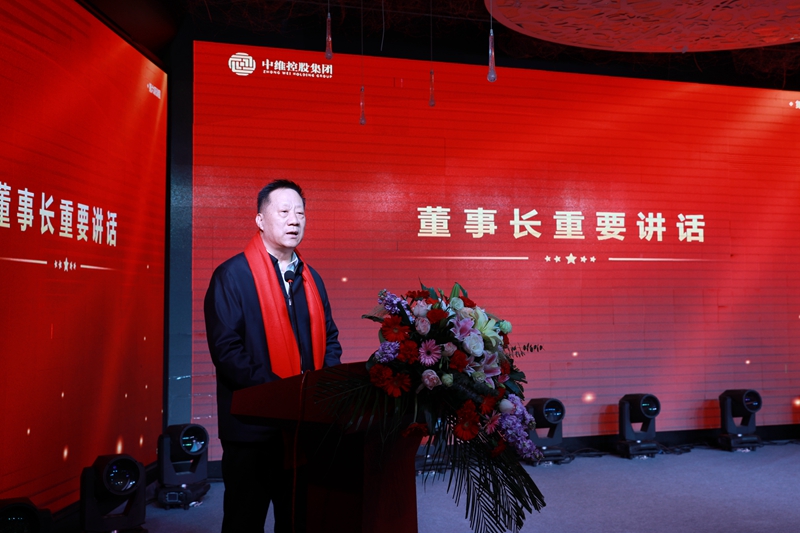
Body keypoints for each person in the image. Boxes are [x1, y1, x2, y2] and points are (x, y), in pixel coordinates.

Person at [204, 179, 342, 533]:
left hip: (304, 427)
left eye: (300, 213)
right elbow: (227, 351)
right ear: (260, 220)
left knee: (299, 521)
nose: (294, 220)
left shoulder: (311, 279)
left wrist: (322, 389)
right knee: (244, 522)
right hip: (252, 431)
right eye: (283, 212)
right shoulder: (231, 276)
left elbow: (330, 339)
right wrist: (282, 396)